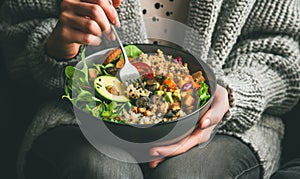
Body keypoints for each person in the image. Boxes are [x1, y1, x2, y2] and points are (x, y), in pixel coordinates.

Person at [0, 0, 299, 179]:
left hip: (230, 125)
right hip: (79, 118)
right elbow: (17, 40)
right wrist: (60, 47)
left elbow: (282, 54)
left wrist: (232, 95)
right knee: (102, 171)